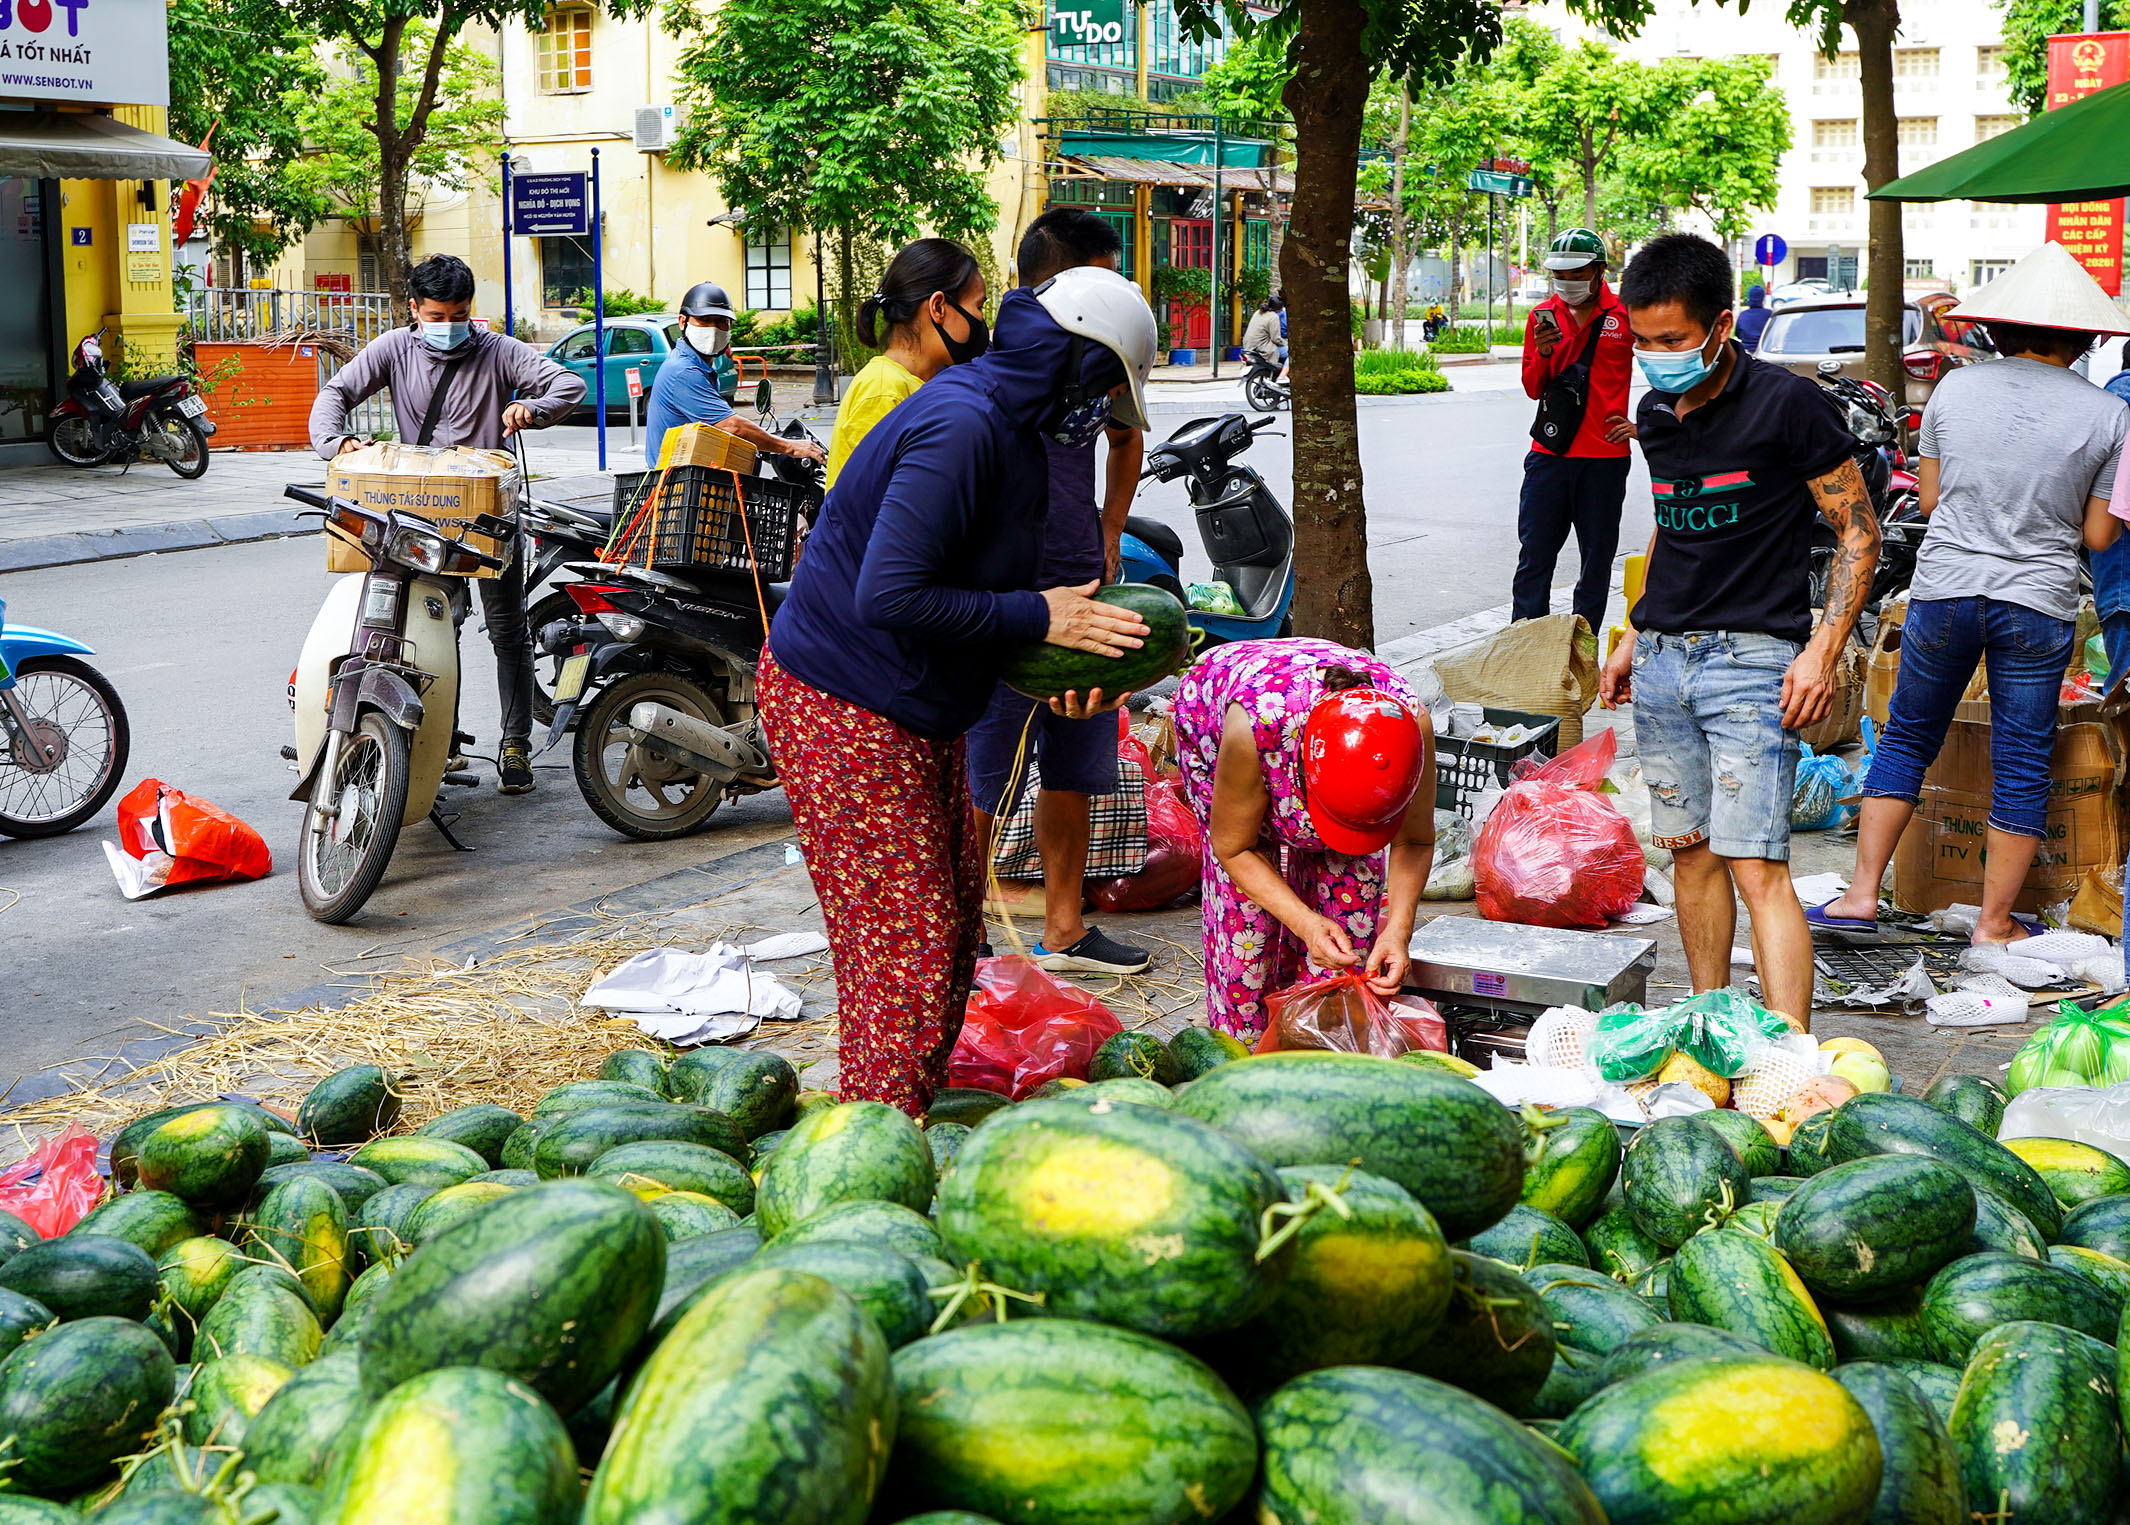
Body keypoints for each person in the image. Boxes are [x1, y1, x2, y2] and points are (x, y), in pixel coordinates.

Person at [759, 265, 1159, 1115]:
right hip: (844, 701)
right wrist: (1038, 620)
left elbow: (984, 606)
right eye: (1098, 390)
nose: (1097, 415)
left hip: (910, 704)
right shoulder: (965, 425)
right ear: (1067, 362)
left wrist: (1060, 676)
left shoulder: (1014, 430)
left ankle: (903, 1120)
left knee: (946, 940)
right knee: (906, 948)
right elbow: (891, 595)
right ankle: (872, 1156)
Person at [1597, 232, 1881, 1028]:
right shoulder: (1654, 411)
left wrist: (1822, 651)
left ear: (1721, 326)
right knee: (1690, 853)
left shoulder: (1788, 406)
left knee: (1758, 866)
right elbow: (1672, 527)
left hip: (1752, 664)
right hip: (1661, 664)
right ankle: (1709, 1025)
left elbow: (1860, 533)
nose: (1656, 357)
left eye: (1673, 340)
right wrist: (1631, 630)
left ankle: (1791, 1056)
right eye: (1644, 340)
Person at [1813, 243, 2128, 948]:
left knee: (1908, 737)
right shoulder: (2108, 415)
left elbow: (1928, 495)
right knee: (2021, 759)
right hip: (2037, 602)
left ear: (1999, 328)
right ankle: (1993, 924)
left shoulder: (1955, 388)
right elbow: (2099, 536)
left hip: (1946, 587)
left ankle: (1862, 896)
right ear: (2083, 338)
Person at [309, 253, 583, 795]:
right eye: (435, 316)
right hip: (422, 521)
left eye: (458, 314)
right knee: (436, 630)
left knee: (508, 633)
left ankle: (515, 744)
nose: (448, 326)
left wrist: (533, 409)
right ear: (412, 309)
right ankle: (445, 741)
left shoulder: (499, 351)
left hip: (489, 518)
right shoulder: (393, 349)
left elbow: (567, 385)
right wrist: (337, 443)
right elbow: (334, 394)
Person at [963, 208, 1154, 977]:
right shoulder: (995, 361)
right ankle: (960, 929)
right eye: (1100, 281)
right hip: (1008, 595)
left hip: (1084, 575)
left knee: (1078, 755)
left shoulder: (1100, 353)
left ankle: (1066, 929)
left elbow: (1128, 430)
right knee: (988, 770)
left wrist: (1111, 527)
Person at [1172, 639, 1435, 1037]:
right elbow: (1234, 847)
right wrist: (1305, 923)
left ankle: (1322, 1040)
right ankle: (1247, 1046)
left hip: (1311, 739)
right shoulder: (1255, 727)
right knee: (1248, 931)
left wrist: (1398, 930)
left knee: (1350, 931)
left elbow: (1414, 840)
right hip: (1228, 711)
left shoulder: (1411, 725)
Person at [1514, 227, 1638, 637]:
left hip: (1606, 459)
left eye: (1576, 273)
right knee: (1535, 559)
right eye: (1559, 275)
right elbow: (1534, 387)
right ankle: (1526, 650)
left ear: (1599, 271)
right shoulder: (1542, 317)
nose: (1566, 283)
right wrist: (1546, 351)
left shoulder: (1625, 316)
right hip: (1550, 455)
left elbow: (1663, 370)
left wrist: (1641, 427)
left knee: (1596, 561)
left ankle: (1580, 652)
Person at [825, 238, 986, 489]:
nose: (981, 320)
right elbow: (873, 501)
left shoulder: (929, 381)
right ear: (938, 308)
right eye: (979, 306)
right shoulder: (883, 389)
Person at [642, 280, 828, 471]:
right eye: (705, 320)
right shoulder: (685, 372)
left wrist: (765, 440)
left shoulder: (691, 363)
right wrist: (790, 447)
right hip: (674, 486)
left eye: (722, 322)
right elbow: (731, 426)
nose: (713, 329)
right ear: (683, 321)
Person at [1735, 284, 1773, 354]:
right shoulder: (1769, 314)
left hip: (1746, 351)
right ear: (1762, 298)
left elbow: (1737, 333)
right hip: (1764, 350)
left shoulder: (1743, 315)